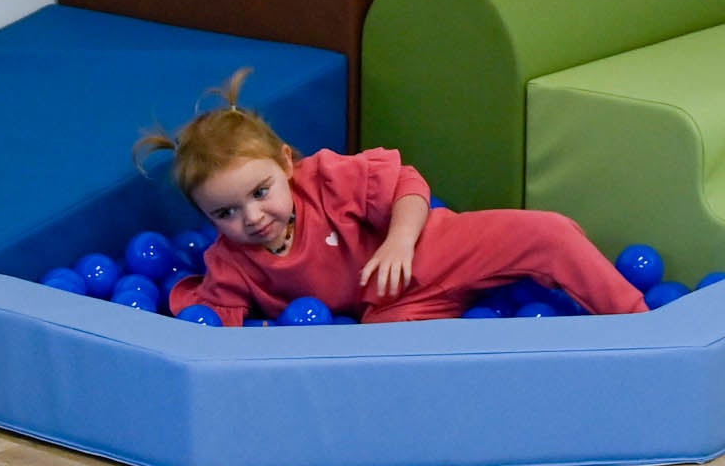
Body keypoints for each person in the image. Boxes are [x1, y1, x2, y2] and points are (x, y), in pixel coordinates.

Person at [136, 74, 650, 327]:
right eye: (225, 213)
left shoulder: (325, 179)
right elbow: (214, 325)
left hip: (437, 249)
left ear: (287, 164)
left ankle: (641, 325)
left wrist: (400, 242)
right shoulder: (232, 264)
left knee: (549, 232)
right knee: (381, 355)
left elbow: (407, 184)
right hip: (390, 311)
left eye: (260, 192)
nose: (252, 217)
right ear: (205, 217)